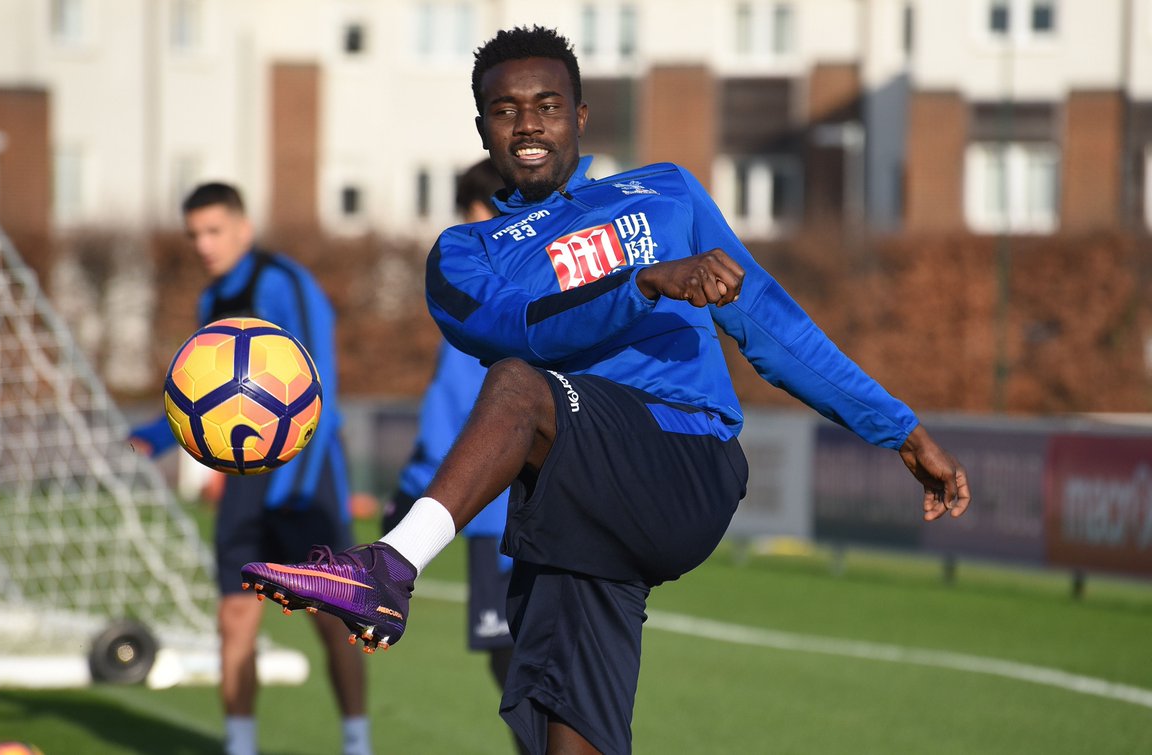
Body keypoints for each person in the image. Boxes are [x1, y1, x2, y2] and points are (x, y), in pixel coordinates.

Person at [241, 26, 971, 755]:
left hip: (685, 456)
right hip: (574, 505)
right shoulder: (464, 256)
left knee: (518, 392)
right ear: (482, 128)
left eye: (548, 104)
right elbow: (523, 334)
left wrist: (898, 425)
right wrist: (643, 283)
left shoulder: (667, 193)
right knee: (568, 731)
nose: (528, 123)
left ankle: (389, 568)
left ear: (581, 116)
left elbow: (772, 325)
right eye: (506, 109)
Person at [130, 182, 372, 755]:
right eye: (194, 236)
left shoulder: (286, 283)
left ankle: (357, 743)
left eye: (214, 231)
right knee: (234, 620)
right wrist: (150, 436)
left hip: (305, 478)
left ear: (243, 227)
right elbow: (201, 405)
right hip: (241, 488)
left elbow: (321, 393)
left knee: (333, 621)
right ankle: (240, 746)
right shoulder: (210, 303)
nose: (204, 245)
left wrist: (297, 486)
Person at [384, 158, 529, 755]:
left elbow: (451, 417)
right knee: (541, 664)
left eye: (475, 220)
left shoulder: (484, 305)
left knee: (518, 667)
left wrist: (409, 497)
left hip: (497, 518)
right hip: (549, 505)